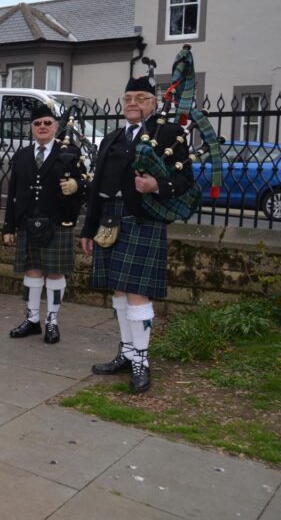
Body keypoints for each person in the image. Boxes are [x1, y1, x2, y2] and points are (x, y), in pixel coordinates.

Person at [80, 76, 195, 393]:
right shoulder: (112, 138)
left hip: (143, 220)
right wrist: (89, 228)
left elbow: (186, 179)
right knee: (118, 291)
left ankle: (142, 360)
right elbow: (96, 189)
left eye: (141, 97)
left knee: (136, 293)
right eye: (128, 97)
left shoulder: (169, 134)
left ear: (154, 103)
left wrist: (156, 186)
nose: (133, 102)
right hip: (109, 219)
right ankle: (128, 354)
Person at [2, 104, 86, 344]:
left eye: (47, 123)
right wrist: (8, 227)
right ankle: (32, 319)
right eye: (37, 124)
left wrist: (77, 186)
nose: (42, 127)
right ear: (31, 128)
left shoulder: (69, 152)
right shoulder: (21, 156)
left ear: (56, 127)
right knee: (32, 271)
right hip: (28, 221)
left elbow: (85, 183)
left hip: (57, 220)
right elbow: (13, 192)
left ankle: (52, 321)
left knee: (56, 272)